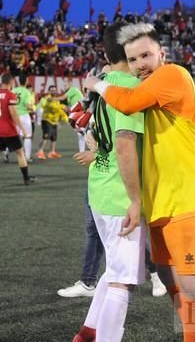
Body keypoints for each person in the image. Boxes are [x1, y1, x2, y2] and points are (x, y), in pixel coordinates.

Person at [86, 23, 195, 341]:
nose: (140, 64)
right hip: (159, 201)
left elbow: (127, 103)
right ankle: (193, 334)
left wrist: (96, 83)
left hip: (189, 198)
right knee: (166, 274)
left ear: (162, 53)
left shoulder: (173, 75)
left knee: (189, 284)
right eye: (133, 59)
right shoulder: (141, 86)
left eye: (146, 55)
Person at [71, 22, 147, 342]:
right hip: (120, 194)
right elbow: (125, 142)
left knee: (114, 269)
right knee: (122, 281)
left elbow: (93, 135)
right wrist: (135, 198)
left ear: (105, 53)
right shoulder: (130, 87)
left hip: (99, 187)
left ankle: (87, 333)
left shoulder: (105, 83)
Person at [0, 74, 34, 189]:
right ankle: (26, 179)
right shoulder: (10, 95)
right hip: (9, 131)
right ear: (10, 82)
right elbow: (13, 113)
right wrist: (22, 128)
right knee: (20, 153)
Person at [4, 76, 34, 162]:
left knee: (11, 136)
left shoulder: (13, 91)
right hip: (24, 116)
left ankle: (6, 152)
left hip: (13, 115)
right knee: (27, 136)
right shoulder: (27, 92)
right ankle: (27, 157)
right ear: (26, 81)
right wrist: (32, 108)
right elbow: (28, 105)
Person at [51, 80, 86, 152]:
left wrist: (51, 99)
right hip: (78, 112)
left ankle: (84, 132)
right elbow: (70, 107)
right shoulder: (70, 94)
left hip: (81, 112)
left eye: (66, 85)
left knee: (81, 131)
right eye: (64, 85)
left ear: (70, 84)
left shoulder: (73, 89)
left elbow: (62, 98)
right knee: (81, 134)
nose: (64, 87)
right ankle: (82, 151)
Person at [36, 86, 68, 159]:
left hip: (54, 121)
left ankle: (52, 152)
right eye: (52, 90)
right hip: (46, 120)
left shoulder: (57, 99)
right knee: (46, 137)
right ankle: (40, 151)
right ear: (49, 91)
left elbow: (57, 109)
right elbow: (50, 106)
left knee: (54, 138)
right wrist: (62, 107)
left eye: (54, 90)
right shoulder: (47, 98)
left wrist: (63, 116)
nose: (53, 91)